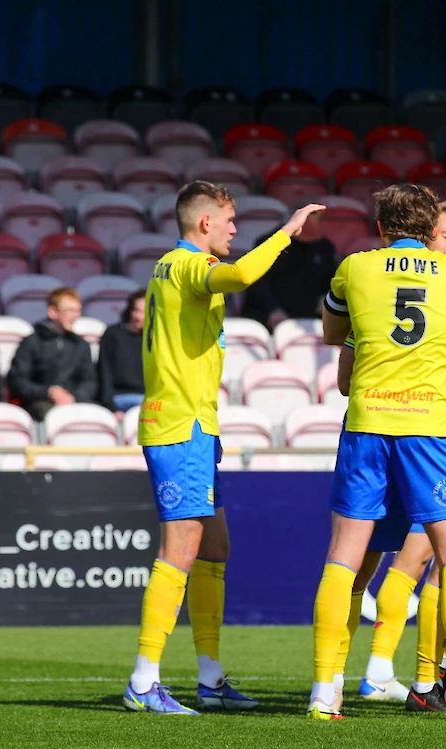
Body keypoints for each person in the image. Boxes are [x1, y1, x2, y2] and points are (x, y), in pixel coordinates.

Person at [123, 182, 322, 715]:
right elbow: (239, 276)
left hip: (195, 427)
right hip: (179, 427)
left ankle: (209, 678)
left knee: (215, 548)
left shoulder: (171, 267)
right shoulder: (187, 263)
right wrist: (286, 234)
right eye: (231, 220)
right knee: (180, 552)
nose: (236, 230)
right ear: (205, 223)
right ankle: (144, 681)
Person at [309, 184, 446, 721]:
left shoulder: (355, 267)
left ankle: (326, 689)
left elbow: (331, 332)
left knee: (344, 557)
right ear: (430, 227)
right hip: (430, 429)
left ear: (382, 225)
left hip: (367, 423)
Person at [8, 288, 97, 422]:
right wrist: (48, 392)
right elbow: (18, 381)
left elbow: (89, 381)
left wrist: (73, 397)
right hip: (39, 404)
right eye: (70, 310)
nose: (75, 316)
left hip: (75, 402)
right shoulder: (31, 342)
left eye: (78, 310)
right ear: (53, 312)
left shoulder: (81, 345)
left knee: (97, 415)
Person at [240, 209, 337, 329]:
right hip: (267, 317)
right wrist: (273, 309)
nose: (326, 224)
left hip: (308, 319)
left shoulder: (325, 247)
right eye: (321, 219)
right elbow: (256, 282)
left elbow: (329, 281)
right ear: (302, 219)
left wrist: (325, 297)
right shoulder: (271, 242)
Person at [98, 289, 146, 414]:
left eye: (145, 312)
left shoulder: (155, 338)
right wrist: (111, 407)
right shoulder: (112, 334)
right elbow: (104, 370)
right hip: (119, 398)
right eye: (137, 310)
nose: (139, 317)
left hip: (148, 400)